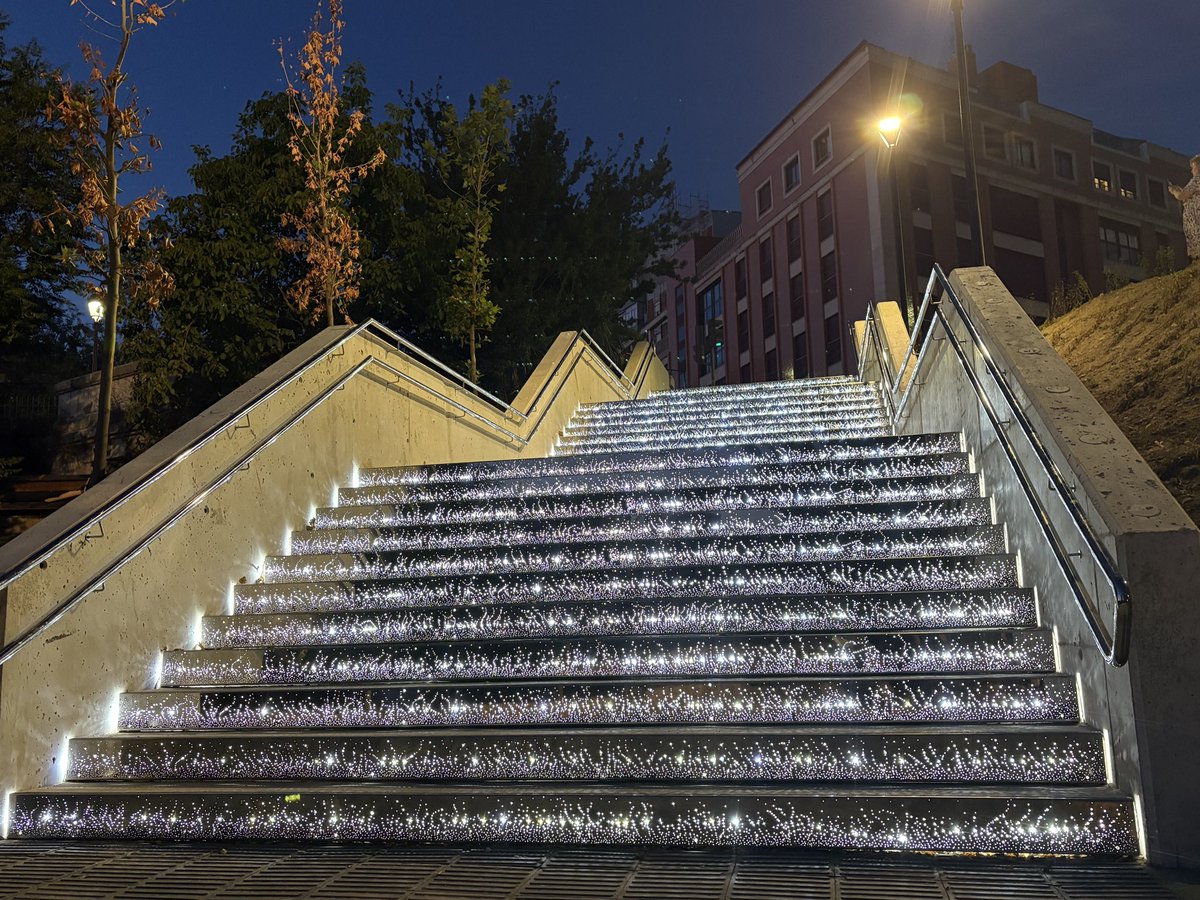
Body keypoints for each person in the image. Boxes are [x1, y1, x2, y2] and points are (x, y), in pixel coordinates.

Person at [1168, 154, 1200, 263]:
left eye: (1193, 167)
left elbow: (1182, 196)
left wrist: (1173, 190)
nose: (1191, 171)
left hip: (1196, 217)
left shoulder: (1197, 180)